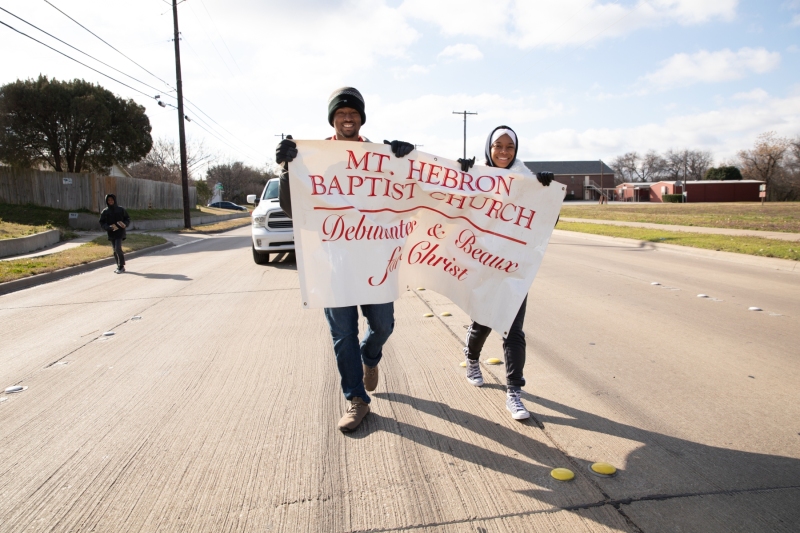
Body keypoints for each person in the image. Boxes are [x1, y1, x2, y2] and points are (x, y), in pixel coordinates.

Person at [275, 87, 414, 433]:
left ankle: (371, 357)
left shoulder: (379, 156)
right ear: (333, 120)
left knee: (383, 324)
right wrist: (286, 169)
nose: (347, 118)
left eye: (353, 113)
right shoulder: (313, 158)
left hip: (375, 262)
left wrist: (406, 160)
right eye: (340, 114)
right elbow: (294, 209)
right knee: (342, 334)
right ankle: (356, 399)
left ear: (361, 118)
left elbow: (408, 197)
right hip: (332, 262)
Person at [457, 125, 553, 421]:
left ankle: (514, 393)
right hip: (482, 262)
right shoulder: (477, 177)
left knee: (513, 330)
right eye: (497, 146)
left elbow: (548, 223)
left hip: (514, 267)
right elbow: (453, 205)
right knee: (484, 321)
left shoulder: (528, 180)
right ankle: (472, 358)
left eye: (509, 147)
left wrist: (547, 194)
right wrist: (462, 177)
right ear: (489, 148)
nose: (503, 152)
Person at [99, 193, 131, 274]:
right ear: (107, 201)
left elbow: (127, 218)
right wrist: (108, 227)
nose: (110, 201)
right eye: (109, 200)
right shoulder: (105, 211)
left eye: (112, 200)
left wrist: (125, 224)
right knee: (114, 250)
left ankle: (121, 266)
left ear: (114, 200)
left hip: (120, 232)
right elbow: (102, 222)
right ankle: (118, 265)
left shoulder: (121, 209)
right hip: (111, 233)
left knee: (117, 248)